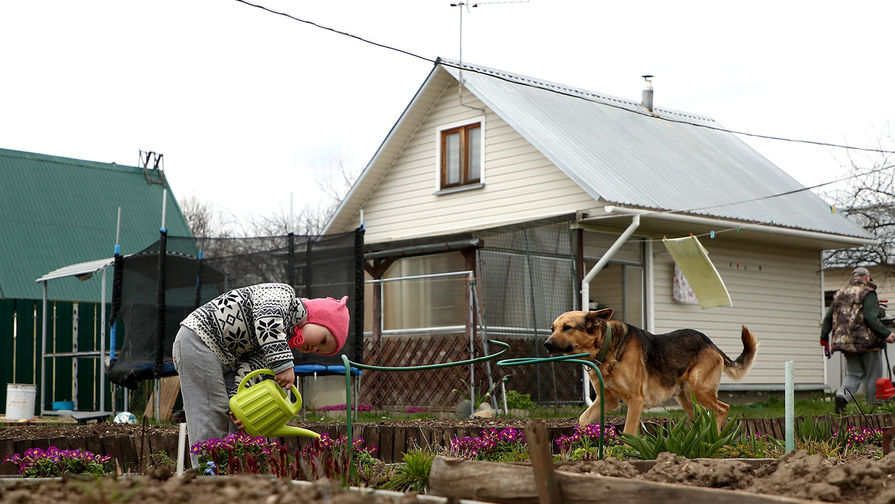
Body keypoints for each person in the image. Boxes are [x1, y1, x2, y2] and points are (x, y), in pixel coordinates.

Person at [172, 283, 349, 466]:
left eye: (320, 351)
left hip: (221, 356)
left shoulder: (276, 344)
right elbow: (266, 319)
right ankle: (206, 475)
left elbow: (249, 372)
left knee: (230, 416)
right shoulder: (284, 295)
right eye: (322, 340)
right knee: (211, 413)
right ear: (317, 317)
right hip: (198, 340)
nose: (315, 348)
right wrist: (283, 365)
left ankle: (230, 471)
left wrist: (238, 407)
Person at [820, 267, 895, 414]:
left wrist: (824, 338)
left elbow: (828, 318)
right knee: (873, 374)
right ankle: (874, 407)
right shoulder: (868, 292)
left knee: (854, 374)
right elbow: (870, 317)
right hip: (868, 342)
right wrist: (886, 334)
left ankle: (842, 396)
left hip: (846, 342)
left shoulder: (839, 293)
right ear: (867, 277)